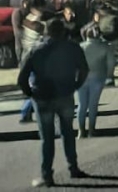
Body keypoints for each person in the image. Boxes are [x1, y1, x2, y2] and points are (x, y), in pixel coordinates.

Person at [18, 18, 89, 188]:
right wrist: (75, 86)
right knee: (68, 133)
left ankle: (47, 175)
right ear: (63, 31)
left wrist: (30, 93)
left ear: (46, 32)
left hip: (42, 97)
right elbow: (84, 69)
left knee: (47, 138)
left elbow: (22, 78)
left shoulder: (35, 50)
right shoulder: (73, 48)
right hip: (65, 94)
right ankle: (73, 167)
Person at [77, 25, 110, 138]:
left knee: (81, 105)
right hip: (98, 77)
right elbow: (111, 63)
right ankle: (91, 129)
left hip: (81, 78)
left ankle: (81, 130)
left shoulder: (80, 47)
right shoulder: (105, 47)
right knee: (93, 105)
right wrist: (109, 75)